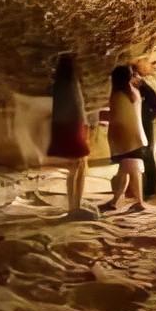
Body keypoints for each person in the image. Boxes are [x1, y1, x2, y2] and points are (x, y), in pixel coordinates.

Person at [100, 65, 149, 213]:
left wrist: (100, 116)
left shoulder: (117, 95)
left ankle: (138, 202)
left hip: (125, 140)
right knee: (128, 170)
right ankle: (117, 201)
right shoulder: (134, 92)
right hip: (137, 138)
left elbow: (117, 118)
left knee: (129, 171)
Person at [47, 53, 91, 217]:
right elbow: (78, 109)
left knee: (76, 168)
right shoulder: (70, 85)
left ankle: (74, 205)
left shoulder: (58, 85)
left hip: (65, 128)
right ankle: (74, 206)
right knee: (78, 167)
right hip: (74, 128)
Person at [132, 59, 156, 198]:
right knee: (139, 155)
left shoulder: (143, 87)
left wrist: (148, 118)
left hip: (144, 123)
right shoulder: (134, 88)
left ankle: (150, 187)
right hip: (138, 123)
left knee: (148, 154)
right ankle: (141, 187)